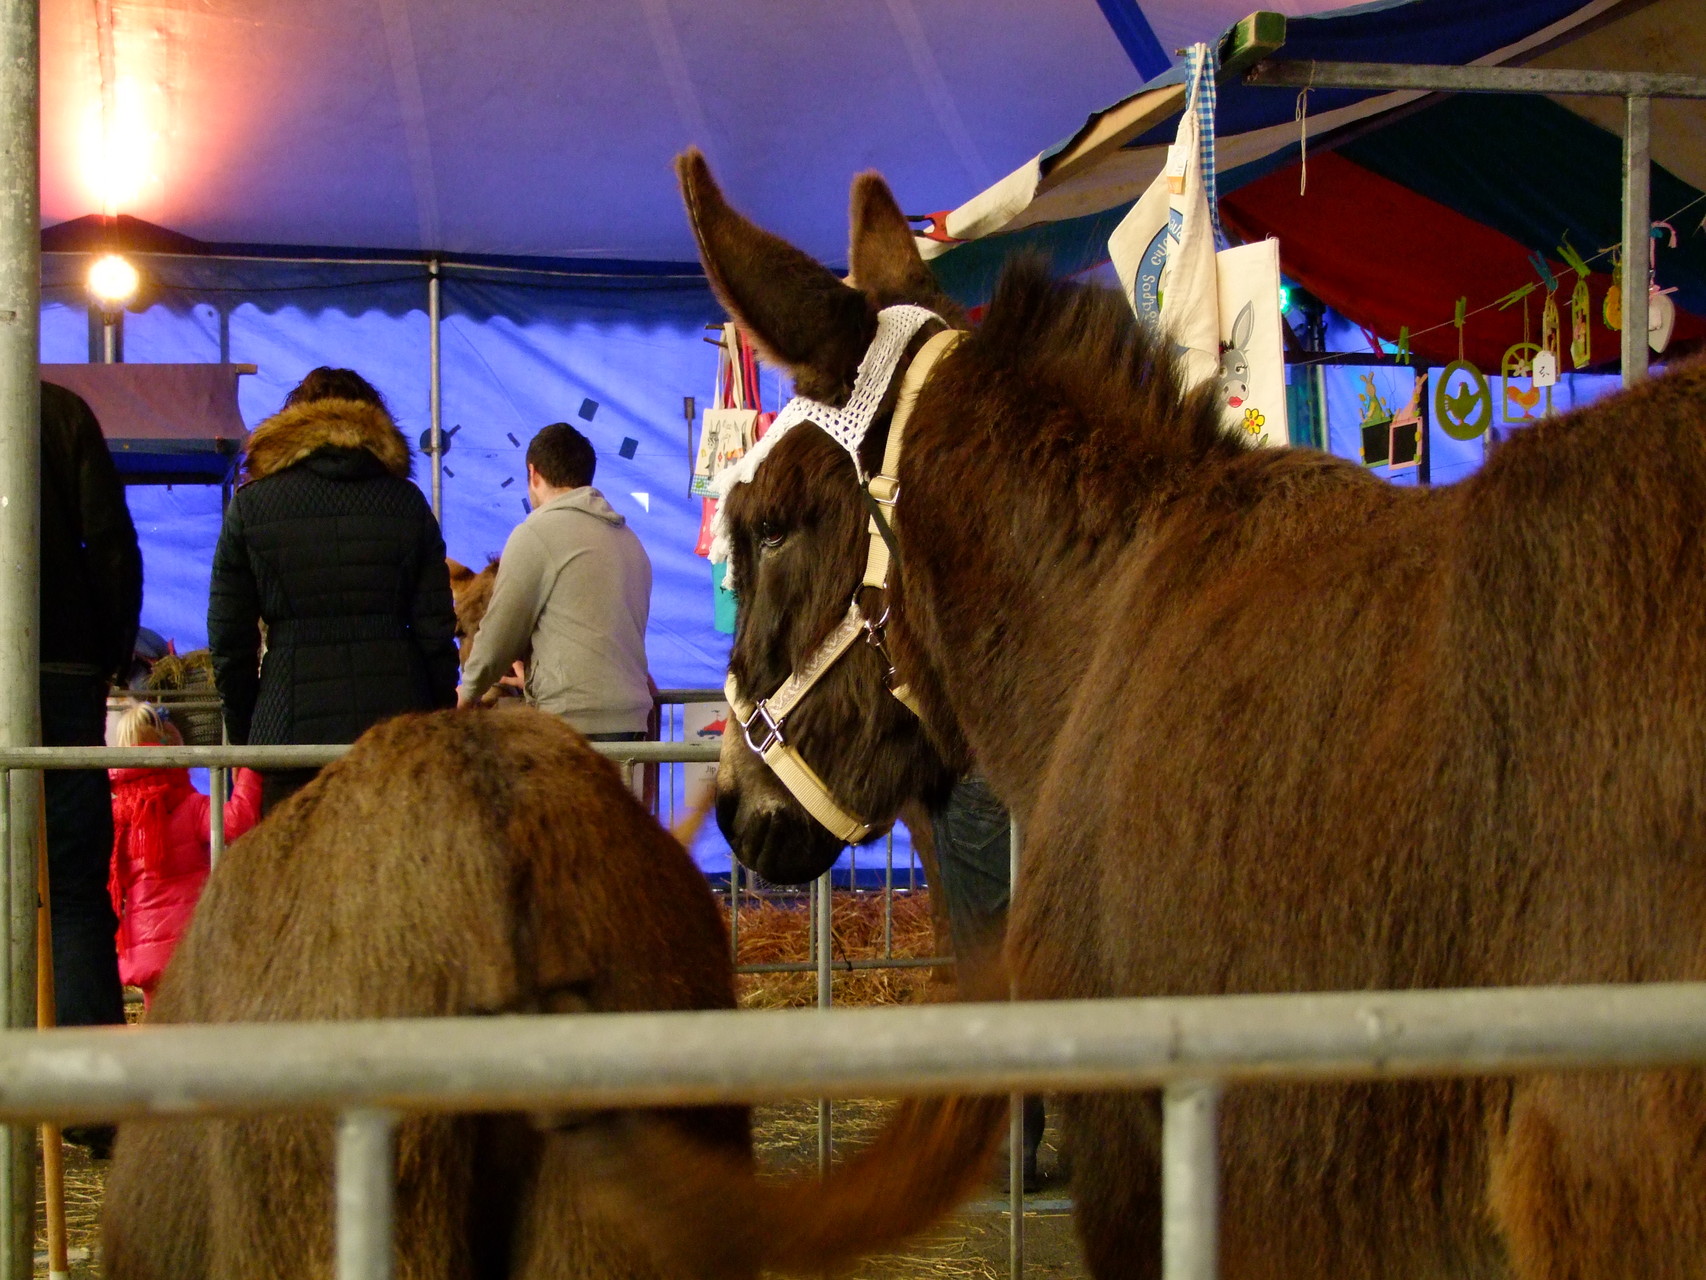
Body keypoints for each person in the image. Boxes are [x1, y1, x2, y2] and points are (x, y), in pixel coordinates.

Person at [208, 368, 459, 814]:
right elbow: (437, 634)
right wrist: (434, 716)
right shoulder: (407, 504)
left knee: (299, 878)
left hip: (288, 735)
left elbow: (230, 642)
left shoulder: (251, 507)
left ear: (295, 422)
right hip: (397, 734)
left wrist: (252, 733)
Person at [39, 381, 143, 1039]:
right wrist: (105, 654)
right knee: (73, 886)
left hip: (63, 664)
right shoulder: (61, 410)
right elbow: (111, 547)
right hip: (62, 669)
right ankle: (83, 1092)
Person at [456, 422, 653, 741]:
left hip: (570, 723)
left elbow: (500, 633)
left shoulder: (535, 533)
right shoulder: (630, 540)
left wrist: (467, 693)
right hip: (632, 720)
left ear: (533, 474)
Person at [107, 703, 261, 1009]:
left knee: (157, 1026)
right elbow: (236, 821)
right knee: (196, 1022)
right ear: (174, 749)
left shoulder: (119, 813)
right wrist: (250, 769)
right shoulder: (189, 805)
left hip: (144, 944)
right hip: (190, 943)